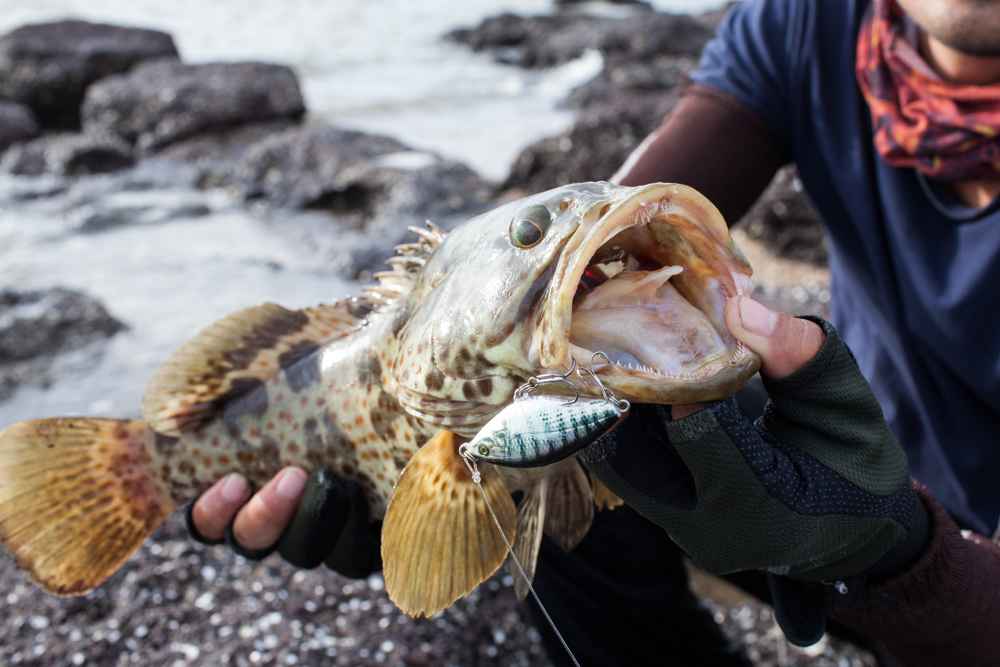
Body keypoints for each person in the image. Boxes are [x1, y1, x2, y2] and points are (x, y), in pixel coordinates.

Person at [190, 0, 1000, 663]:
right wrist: (409, 463)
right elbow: (619, 213)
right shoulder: (810, 23)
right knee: (555, 459)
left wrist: (907, 560)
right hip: (842, 504)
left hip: (960, 576)